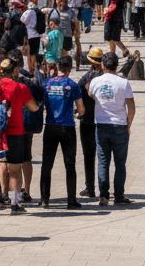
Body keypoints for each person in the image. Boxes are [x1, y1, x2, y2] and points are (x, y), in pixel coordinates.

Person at [0, 57, 37, 215]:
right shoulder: (20, 87)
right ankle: (14, 205)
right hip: (14, 131)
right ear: (15, 71)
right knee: (14, 169)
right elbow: (33, 107)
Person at [89, 51, 136, 206]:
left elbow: (91, 95)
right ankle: (119, 195)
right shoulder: (123, 83)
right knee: (120, 163)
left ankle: (103, 195)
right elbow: (131, 107)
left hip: (101, 125)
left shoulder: (96, 82)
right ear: (116, 66)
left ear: (102, 65)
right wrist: (128, 124)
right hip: (120, 125)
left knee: (103, 161)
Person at [39, 56, 84, 209]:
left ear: (57, 67)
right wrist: (78, 113)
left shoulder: (47, 84)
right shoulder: (72, 85)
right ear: (69, 69)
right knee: (69, 164)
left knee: (47, 164)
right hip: (67, 127)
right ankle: (71, 200)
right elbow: (81, 108)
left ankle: (45, 199)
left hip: (50, 126)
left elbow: (43, 104)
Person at [77, 47, 104, 200]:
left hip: (87, 120)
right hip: (103, 120)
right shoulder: (105, 78)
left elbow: (78, 96)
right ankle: (103, 187)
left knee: (89, 156)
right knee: (103, 156)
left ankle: (90, 187)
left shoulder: (86, 78)